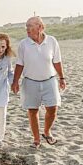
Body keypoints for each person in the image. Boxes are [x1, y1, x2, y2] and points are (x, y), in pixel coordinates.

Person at [11, 17, 67, 148]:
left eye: (30, 26)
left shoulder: (52, 41)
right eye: (26, 26)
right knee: (32, 110)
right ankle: (36, 139)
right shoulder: (24, 44)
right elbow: (20, 64)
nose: (27, 29)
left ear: (40, 27)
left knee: (53, 108)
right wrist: (15, 82)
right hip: (30, 82)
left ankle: (47, 132)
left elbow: (57, 61)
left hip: (50, 80)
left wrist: (62, 78)